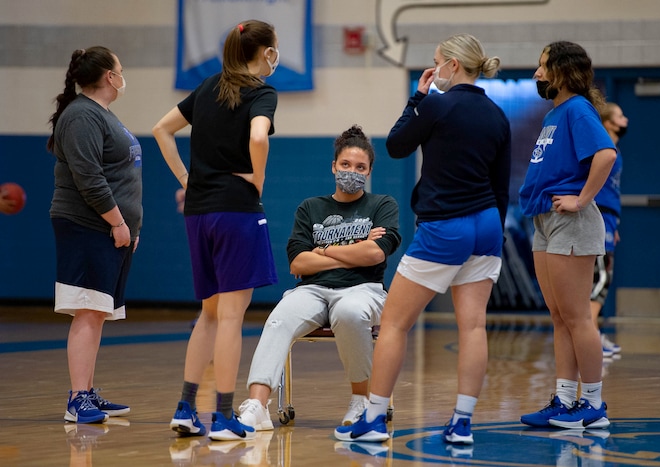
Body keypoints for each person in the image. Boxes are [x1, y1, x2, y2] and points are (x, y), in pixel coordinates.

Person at [335, 34, 511, 445]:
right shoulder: (497, 115)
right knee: (473, 327)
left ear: (451, 65)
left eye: (435, 62)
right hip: (487, 225)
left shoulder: (435, 104)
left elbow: (396, 146)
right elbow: (501, 188)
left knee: (395, 323)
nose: (433, 70)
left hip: (444, 226)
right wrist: (491, 232)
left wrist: (417, 96)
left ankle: (374, 420)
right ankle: (462, 423)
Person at [152, 19, 279, 441]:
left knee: (209, 314)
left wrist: (186, 180)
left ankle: (186, 408)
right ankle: (223, 416)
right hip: (236, 212)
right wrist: (258, 178)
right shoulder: (261, 93)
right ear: (265, 53)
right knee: (230, 316)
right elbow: (259, 138)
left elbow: (161, 130)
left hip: (199, 213)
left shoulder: (207, 87)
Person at [238, 125, 401, 431]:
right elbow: (298, 262)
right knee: (278, 319)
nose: (351, 172)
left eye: (360, 167)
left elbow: (376, 255)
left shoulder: (382, 205)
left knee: (350, 313)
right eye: (345, 165)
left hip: (364, 289)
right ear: (333, 166)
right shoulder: (311, 208)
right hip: (312, 290)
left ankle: (360, 400)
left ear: (368, 172)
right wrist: (354, 247)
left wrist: (322, 250)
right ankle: (258, 405)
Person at [518, 41, 617, 429]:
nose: (537, 74)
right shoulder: (555, 113)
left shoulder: (577, 109)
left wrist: (581, 199)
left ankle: (592, 403)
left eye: (543, 67)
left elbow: (605, 154)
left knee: (577, 317)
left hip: (570, 221)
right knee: (560, 316)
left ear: (562, 71)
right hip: (545, 218)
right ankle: (563, 399)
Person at [47, 46, 142, 424]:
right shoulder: (81, 116)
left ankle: (86, 391)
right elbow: (90, 179)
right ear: (108, 76)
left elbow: (121, 177)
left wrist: (130, 226)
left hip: (111, 228)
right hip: (87, 226)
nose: (123, 76)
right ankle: (77, 399)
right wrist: (118, 222)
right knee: (88, 310)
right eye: (120, 69)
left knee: (97, 311)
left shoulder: (102, 115)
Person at [591, 102, 628, 357]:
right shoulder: (602, 149)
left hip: (609, 219)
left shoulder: (616, 150)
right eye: (620, 116)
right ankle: (591, 338)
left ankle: (595, 335)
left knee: (604, 276)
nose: (625, 120)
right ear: (608, 123)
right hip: (599, 217)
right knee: (600, 279)